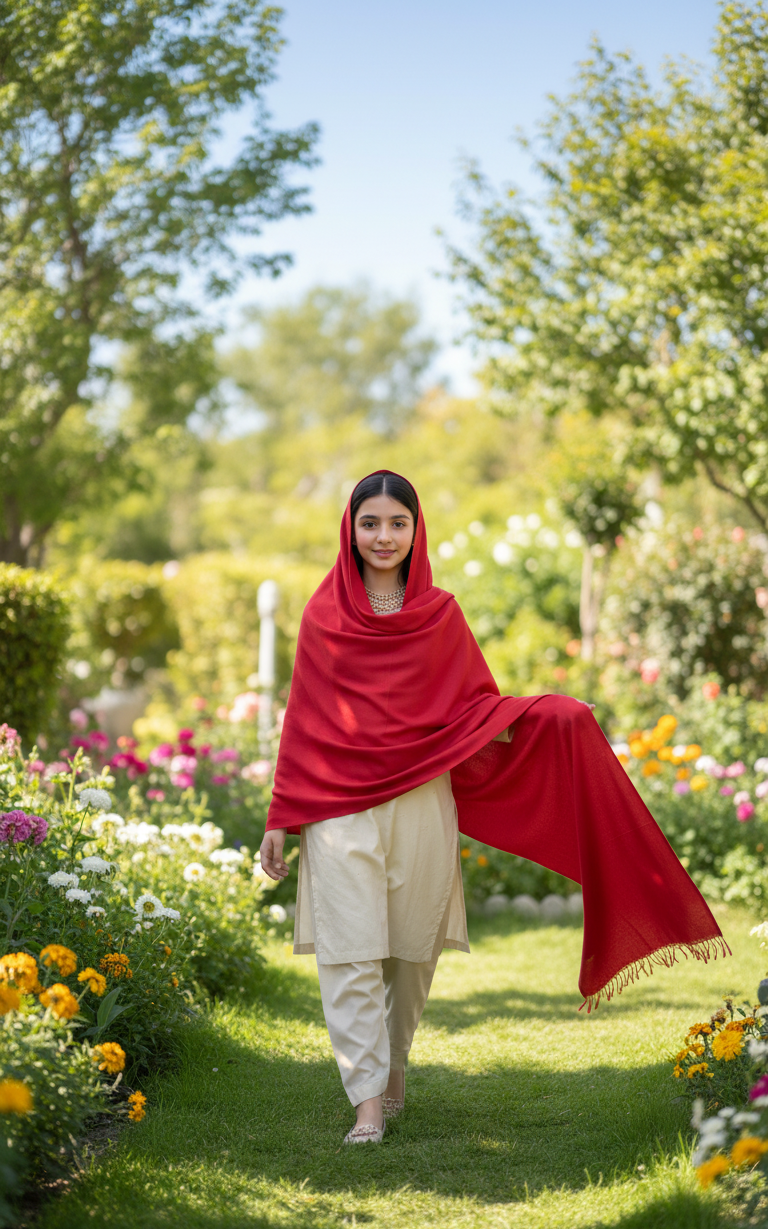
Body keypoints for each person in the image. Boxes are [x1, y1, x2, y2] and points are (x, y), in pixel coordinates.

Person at [260, 470, 727, 1145]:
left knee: (413, 948)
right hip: (338, 805)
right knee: (351, 949)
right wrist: (283, 811)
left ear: (416, 530)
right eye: (370, 523)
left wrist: (551, 715)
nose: (383, 535)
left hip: (422, 796)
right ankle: (366, 1101)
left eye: (397, 522)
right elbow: (303, 718)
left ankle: (392, 1069)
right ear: (350, 529)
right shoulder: (323, 614)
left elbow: (474, 706)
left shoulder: (440, 613)